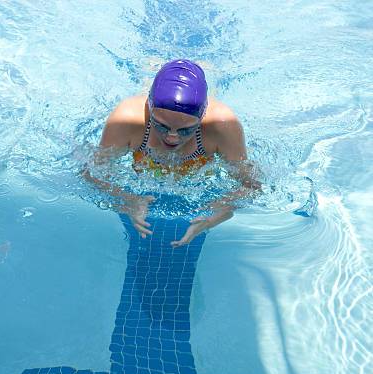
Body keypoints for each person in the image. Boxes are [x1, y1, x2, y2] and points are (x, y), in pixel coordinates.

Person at [84, 59, 260, 246]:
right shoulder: (127, 120)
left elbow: (252, 185)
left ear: (202, 119)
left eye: (186, 130)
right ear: (150, 110)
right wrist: (128, 201)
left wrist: (217, 212)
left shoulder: (222, 126)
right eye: (161, 126)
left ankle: (204, 68)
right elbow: (90, 172)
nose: (172, 138)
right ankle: (151, 68)